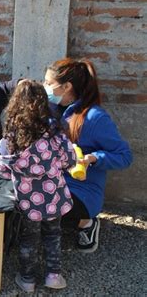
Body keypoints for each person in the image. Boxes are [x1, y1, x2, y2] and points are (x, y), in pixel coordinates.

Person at [44, 58, 132, 253]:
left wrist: (92, 158)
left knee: (42, 204)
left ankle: (87, 222)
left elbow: (124, 156)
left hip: (80, 189)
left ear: (66, 86)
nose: (45, 88)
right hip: (51, 181)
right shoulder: (49, 110)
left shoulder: (94, 118)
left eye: (48, 84)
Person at [0, 80, 77, 292]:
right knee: (53, 234)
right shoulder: (55, 130)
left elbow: (3, 167)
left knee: (28, 238)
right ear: (43, 102)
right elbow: (69, 160)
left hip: (27, 199)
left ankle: (27, 279)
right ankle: (53, 276)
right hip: (54, 195)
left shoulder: (12, 135)